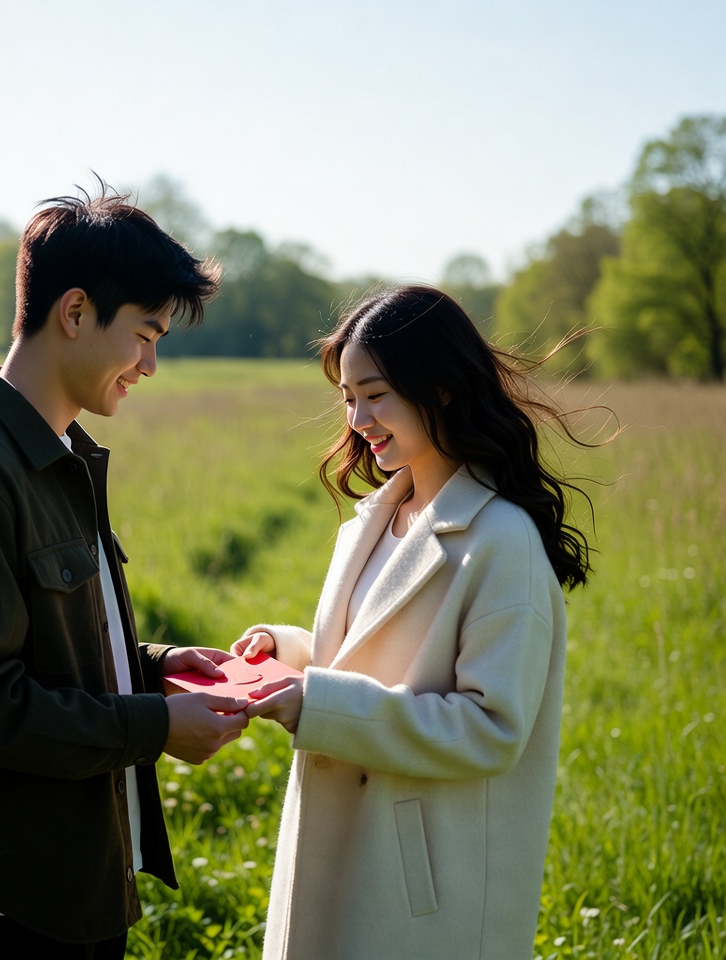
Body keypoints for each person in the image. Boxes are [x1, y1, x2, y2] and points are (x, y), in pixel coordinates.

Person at [0, 186, 249, 959]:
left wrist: (153, 669)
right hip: (11, 908)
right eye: (144, 335)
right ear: (76, 312)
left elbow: (47, 649)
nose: (150, 365)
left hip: (74, 879)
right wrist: (154, 727)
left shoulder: (54, 455)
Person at [234, 285, 594, 960]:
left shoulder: (502, 541)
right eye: (348, 397)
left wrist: (316, 703)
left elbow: (490, 728)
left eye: (376, 394)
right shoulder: (375, 520)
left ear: (443, 388)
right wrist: (286, 654)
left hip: (420, 892)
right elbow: (372, 663)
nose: (358, 418)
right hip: (339, 850)